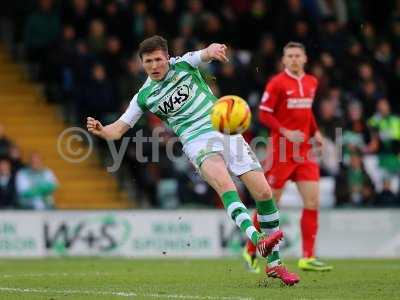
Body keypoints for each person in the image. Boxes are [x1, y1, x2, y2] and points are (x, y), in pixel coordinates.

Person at [87, 35, 299, 285]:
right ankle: (257, 240)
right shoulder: (144, 96)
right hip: (196, 141)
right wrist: (102, 130)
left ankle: (274, 264)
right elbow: (118, 129)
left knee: (263, 193)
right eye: (148, 61)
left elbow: (205, 53)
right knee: (225, 185)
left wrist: (216, 48)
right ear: (141, 63)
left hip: (225, 130)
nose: (154, 66)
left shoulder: (183, 64)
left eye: (158, 59)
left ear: (167, 57)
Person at [243, 42, 333, 272]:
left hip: (304, 152)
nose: (293, 59)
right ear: (284, 60)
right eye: (289, 56)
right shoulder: (277, 83)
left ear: (304, 59)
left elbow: (307, 112)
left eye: (297, 55)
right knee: (270, 202)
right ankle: (252, 248)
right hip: (281, 152)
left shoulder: (312, 82)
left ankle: (307, 257)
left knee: (312, 201)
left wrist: (316, 132)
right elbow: (263, 114)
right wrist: (285, 131)